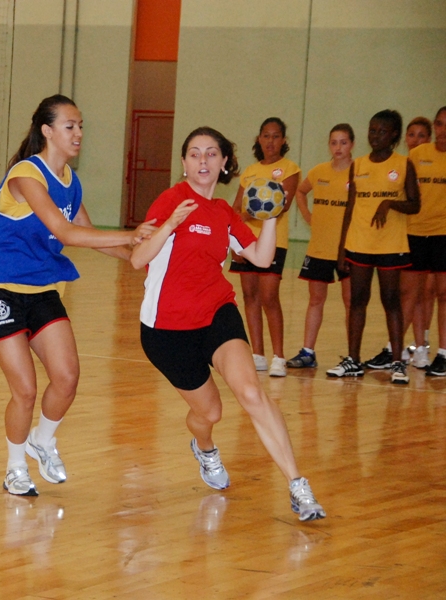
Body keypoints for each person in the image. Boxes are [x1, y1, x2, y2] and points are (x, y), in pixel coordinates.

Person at [131, 126, 325, 522]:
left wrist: (271, 216)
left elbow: (259, 257)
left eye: (211, 154)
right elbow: (137, 259)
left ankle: (298, 485)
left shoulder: (223, 213)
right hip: (166, 330)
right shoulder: (170, 200)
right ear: (184, 163)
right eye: (195, 153)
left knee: (252, 393)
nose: (203, 160)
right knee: (212, 413)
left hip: (216, 312)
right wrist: (169, 224)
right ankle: (205, 448)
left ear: (223, 164)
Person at [0, 95, 153, 497]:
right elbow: (67, 233)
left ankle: (44, 440)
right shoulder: (26, 175)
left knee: (67, 378)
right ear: (47, 131)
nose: (78, 134)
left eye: (81, 126)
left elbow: (92, 239)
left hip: (42, 291)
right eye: (70, 126)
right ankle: (15, 467)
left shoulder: (71, 183)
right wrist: (131, 232)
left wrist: (139, 258)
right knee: (24, 389)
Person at [326, 110, 420, 383]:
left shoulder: (404, 164)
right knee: (357, 301)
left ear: (394, 136)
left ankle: (398, 363)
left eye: (381, 131)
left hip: (390, 244)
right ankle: (353, 360)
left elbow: (415, 204)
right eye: (372, 130)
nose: (375, 136)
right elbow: (350, 208)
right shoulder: (359, 165)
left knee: (391, 301)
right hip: (359, 243)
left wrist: (390, 203)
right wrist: (342, 248)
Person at [231, 118, 301, 378]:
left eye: (275, 136)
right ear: (258, 139)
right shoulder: (249, 171)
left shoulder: (290, 169)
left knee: (270, 298)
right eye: (265, 136)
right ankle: (257, 354)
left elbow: (283, 205)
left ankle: (279, 357)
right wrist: (235, 241)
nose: (270, 141)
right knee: (250, 297)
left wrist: (249, 215)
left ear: (283, 140)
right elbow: (236, 208)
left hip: (273, 242)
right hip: (246, 242)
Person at [286, 124, 355, 369]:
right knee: (316, 299)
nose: (338, 147)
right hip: (319, 248)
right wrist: (307, 215)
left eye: (344, 142)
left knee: (351, 301)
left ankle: (352, 356)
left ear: (352, 145)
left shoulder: (358, 173)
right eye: (334, 142)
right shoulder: (318, 172)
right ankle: (307, 352)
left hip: (349, 248)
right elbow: (301, 192)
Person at [377, 116, 435, 370]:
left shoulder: (430, 164)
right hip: (404, 235)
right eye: (412, 135)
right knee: (410, 294)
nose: (416, 140)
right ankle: (416, 347)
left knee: (423, 294)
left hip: (431, 235)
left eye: (422, 135)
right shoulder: (399, 166)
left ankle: (405, 347)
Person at [408, 107, 446, 377]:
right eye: (441, 124)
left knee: (443, 294)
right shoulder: (417, 155)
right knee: (416, 295)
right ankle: (419, 349)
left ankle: (443, 353)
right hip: (415, 234)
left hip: (443, 235)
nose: (444, 131)